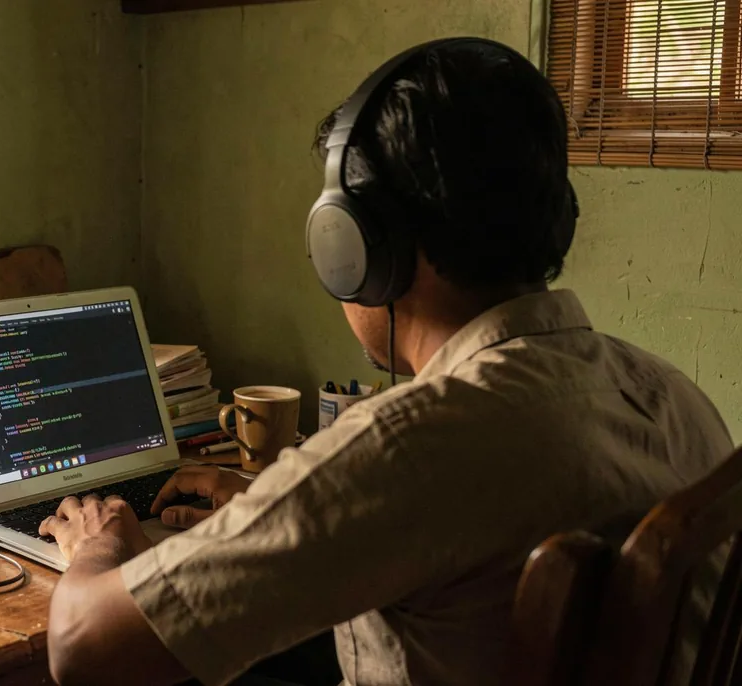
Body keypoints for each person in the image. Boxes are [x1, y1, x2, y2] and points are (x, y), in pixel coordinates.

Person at [38, 38, 734, 686]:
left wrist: (98, 547)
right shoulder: (672, 398)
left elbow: (83, 648)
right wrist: (275, 514)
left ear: (361, 247)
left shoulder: (413, 444)